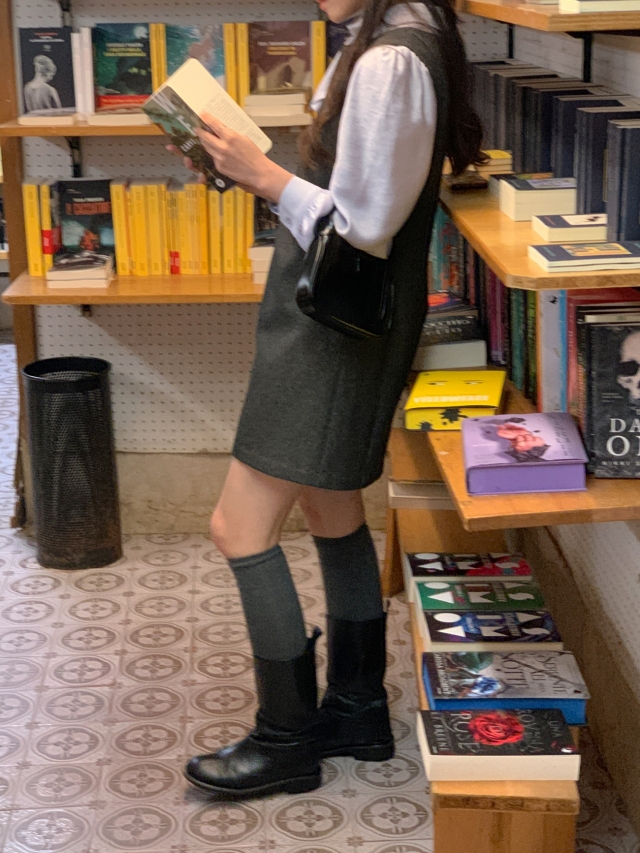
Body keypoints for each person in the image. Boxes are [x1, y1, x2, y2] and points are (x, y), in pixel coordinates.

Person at [177, 0, 485, 801]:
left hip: (332, 329)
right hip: (341, 323)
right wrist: (246, 166)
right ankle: (355, 708)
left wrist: (262, 173)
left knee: (236, 527)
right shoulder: (399, 40)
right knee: (331, 505)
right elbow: (348, 193)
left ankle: (287, 738)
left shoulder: (390, 60)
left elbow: (362, 225)